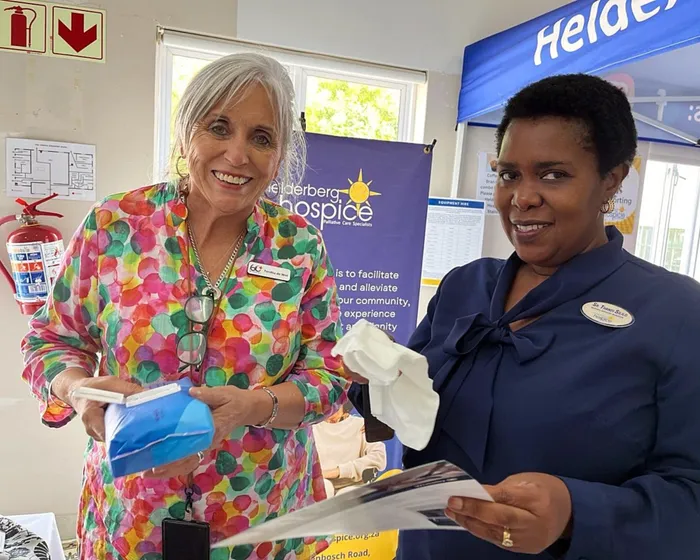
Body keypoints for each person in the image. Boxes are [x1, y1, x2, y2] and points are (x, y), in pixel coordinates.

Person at [345, 74, 700, 559]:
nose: (522, 197)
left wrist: (574, 513)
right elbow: (401, 425)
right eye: (509, 174)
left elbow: (690, 497)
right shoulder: (464, 287)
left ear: (612, 181)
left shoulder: (676, 313)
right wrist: (376, 380)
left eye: (553, 175)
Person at [21, 53, 349, 560]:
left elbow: (329, 376)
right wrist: (79, 392)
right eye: (219, 127)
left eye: (261, 138)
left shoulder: (298, 246)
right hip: (133, 517)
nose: (237, 154)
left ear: (279, 155)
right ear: (185, 134)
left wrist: (252, 406)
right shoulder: (115, 226)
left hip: (258, 517)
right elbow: (49, 340)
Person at [312, 401, 387, 497]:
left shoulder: (361, 425)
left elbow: (378, 457)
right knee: (324, 487)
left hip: (353, 485)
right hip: (321, 483)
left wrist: (339, 471)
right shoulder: (311, 428)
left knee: (346, 495)